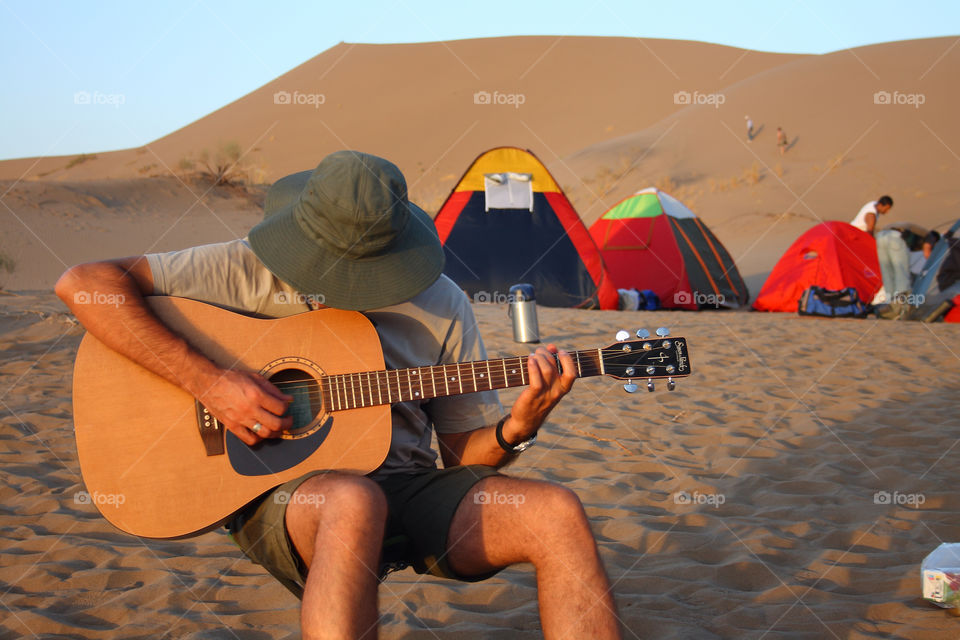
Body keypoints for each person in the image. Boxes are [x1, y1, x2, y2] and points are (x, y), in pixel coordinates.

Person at [55, 151, 623, 639]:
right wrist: (211, 382)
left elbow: (462, 462)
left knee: (557, 512)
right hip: (283, 494)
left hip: (405, 486)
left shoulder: (441, 302)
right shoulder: (239, 269)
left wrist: (516, 430)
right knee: (352, 500)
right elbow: (82, 284)